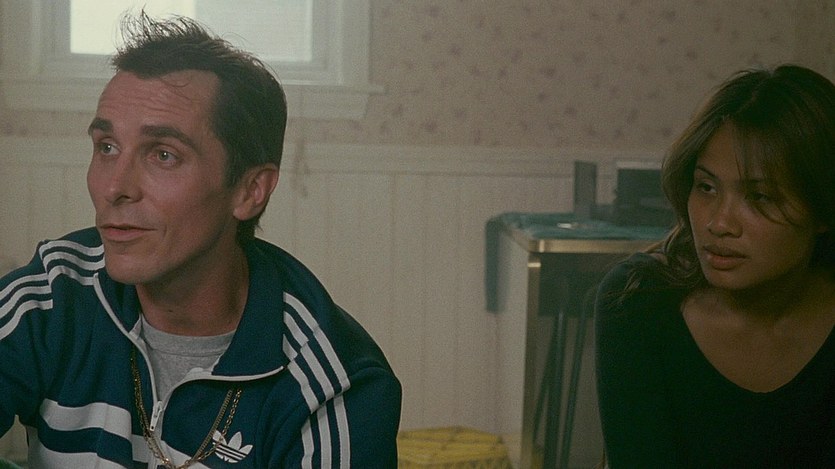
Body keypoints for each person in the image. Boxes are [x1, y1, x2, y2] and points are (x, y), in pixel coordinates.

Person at [0, 11, 401, 469]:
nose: (114, 187)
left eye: (163, 155)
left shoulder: (333, 386)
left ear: (249, 190)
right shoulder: (54, 294)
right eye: (107, 147)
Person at [595, 64, 835, 468]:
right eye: (706, 187)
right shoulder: (638, 301)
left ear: (823, 209)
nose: (718, 223)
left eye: (760, 197)